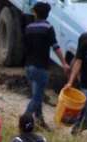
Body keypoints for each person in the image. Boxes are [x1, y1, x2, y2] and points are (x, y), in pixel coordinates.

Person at [23, 2, 69, 130]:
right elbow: (56, 47)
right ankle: (24, 119)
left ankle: (40, 121)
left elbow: (25, 47)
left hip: (28, 66)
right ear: (48, 14)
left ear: (36, 13)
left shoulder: (29, 28)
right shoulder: (48, 28)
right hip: (41, 67)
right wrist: (64, 63)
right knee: (37, 98)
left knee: (36, 94)